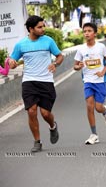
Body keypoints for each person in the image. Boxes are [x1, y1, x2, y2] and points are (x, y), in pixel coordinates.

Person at [9, 15, 64, 152]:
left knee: (45, 114)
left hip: (46, 81)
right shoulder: (21, 44)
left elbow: (60, 56)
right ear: (31, 29)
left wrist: (55, 63)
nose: (43, 29)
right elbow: (12, 62)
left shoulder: (48, 41)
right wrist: (12, 63)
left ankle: (52, 126)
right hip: (29, 82)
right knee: (32, 111)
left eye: (43, 26)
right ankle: (37, 141)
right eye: (40, 27)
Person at [74, 22, 106, 145]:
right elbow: (75, 66)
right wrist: (78, 66)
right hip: (88, 81)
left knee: (98, 107)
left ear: (95, 33)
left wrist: (102, 72)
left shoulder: (101, 47)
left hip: (100, 81)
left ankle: (105, 112)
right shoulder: (81, 49)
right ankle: (94, 134)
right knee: (89, 106)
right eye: (85, 31)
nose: (86, 33)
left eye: (89, 31)